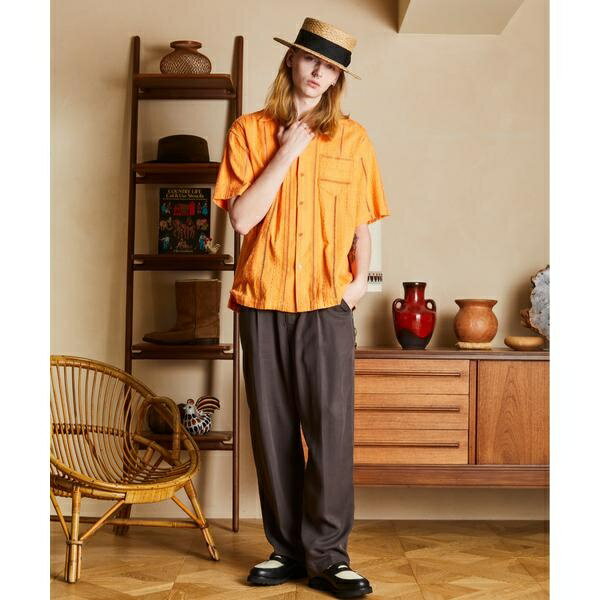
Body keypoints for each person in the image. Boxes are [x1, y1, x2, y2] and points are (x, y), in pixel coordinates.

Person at [213, 17, 390, 598]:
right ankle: (287, 550)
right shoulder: (248, 131)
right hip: (261, 301)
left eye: (331, 66)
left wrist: (356, 285)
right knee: (272, 431)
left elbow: (363, 225)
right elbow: (242, 219)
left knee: (330, 433)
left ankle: (330, 557)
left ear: (338, 78)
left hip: (325, 306)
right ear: (291, 59)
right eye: (312, 59)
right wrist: (286, 152)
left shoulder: (353, 139)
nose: (319, 72)